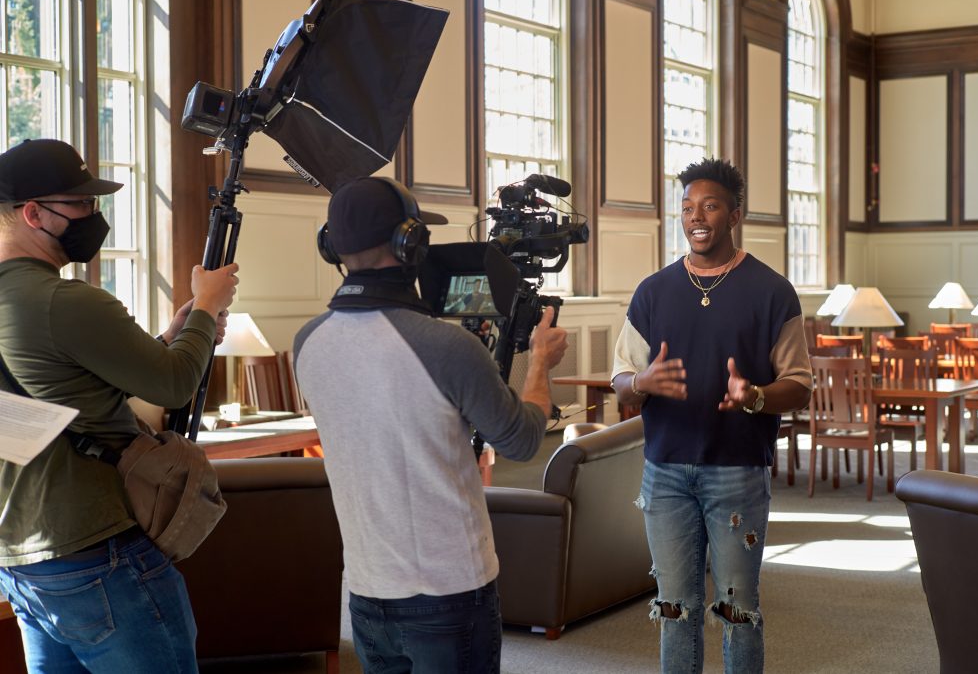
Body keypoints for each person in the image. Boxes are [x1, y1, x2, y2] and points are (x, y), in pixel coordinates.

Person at [293, 176, 568, 673]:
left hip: (365, 589)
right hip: (449, 591)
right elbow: (524, 440)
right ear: (410, 242)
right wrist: (541, 363)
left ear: (331, 246)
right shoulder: (446, 346)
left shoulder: (306, 343)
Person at [0, 139, 239, 672]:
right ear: (33, 212)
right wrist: (207, 306)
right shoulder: (65, 300)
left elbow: (62, 391)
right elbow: (174, 386)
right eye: (79, 203)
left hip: (23, 556)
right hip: (96, 546)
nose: (93, 214)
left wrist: (175, 334)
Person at [611, 158, 811, 673]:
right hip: (666, 474)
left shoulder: (772, 291)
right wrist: (641, 384)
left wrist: (756, 397)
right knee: (676, 609)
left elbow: (800, 384)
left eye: (709, 206)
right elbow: (620, 376)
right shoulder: (652, 292)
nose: (695, 216)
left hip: (737, 471)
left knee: (738, 612)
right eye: (686, 207)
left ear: (735, 215)